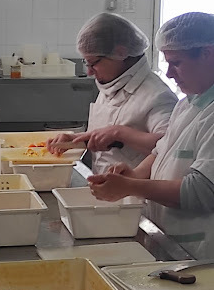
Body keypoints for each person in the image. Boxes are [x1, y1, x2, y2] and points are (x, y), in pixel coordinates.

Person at [88, 11, 214, 259]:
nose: (168, 74)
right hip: (170, 238)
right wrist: (134, 174)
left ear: (208, 54)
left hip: (201, 251)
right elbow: (160, 151)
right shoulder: (188, 104)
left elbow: (200, 191)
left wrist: (132, 186)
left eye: (176, 63)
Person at [47, 12, 177, 173]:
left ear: (121, 53)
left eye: (93, 63)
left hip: (136, 194)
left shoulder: (158, 95)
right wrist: (77, 140)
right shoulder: (113, 83)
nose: (89, 72)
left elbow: (171, 148)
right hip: (106, 188)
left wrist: (121, 133)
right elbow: (105, 136)